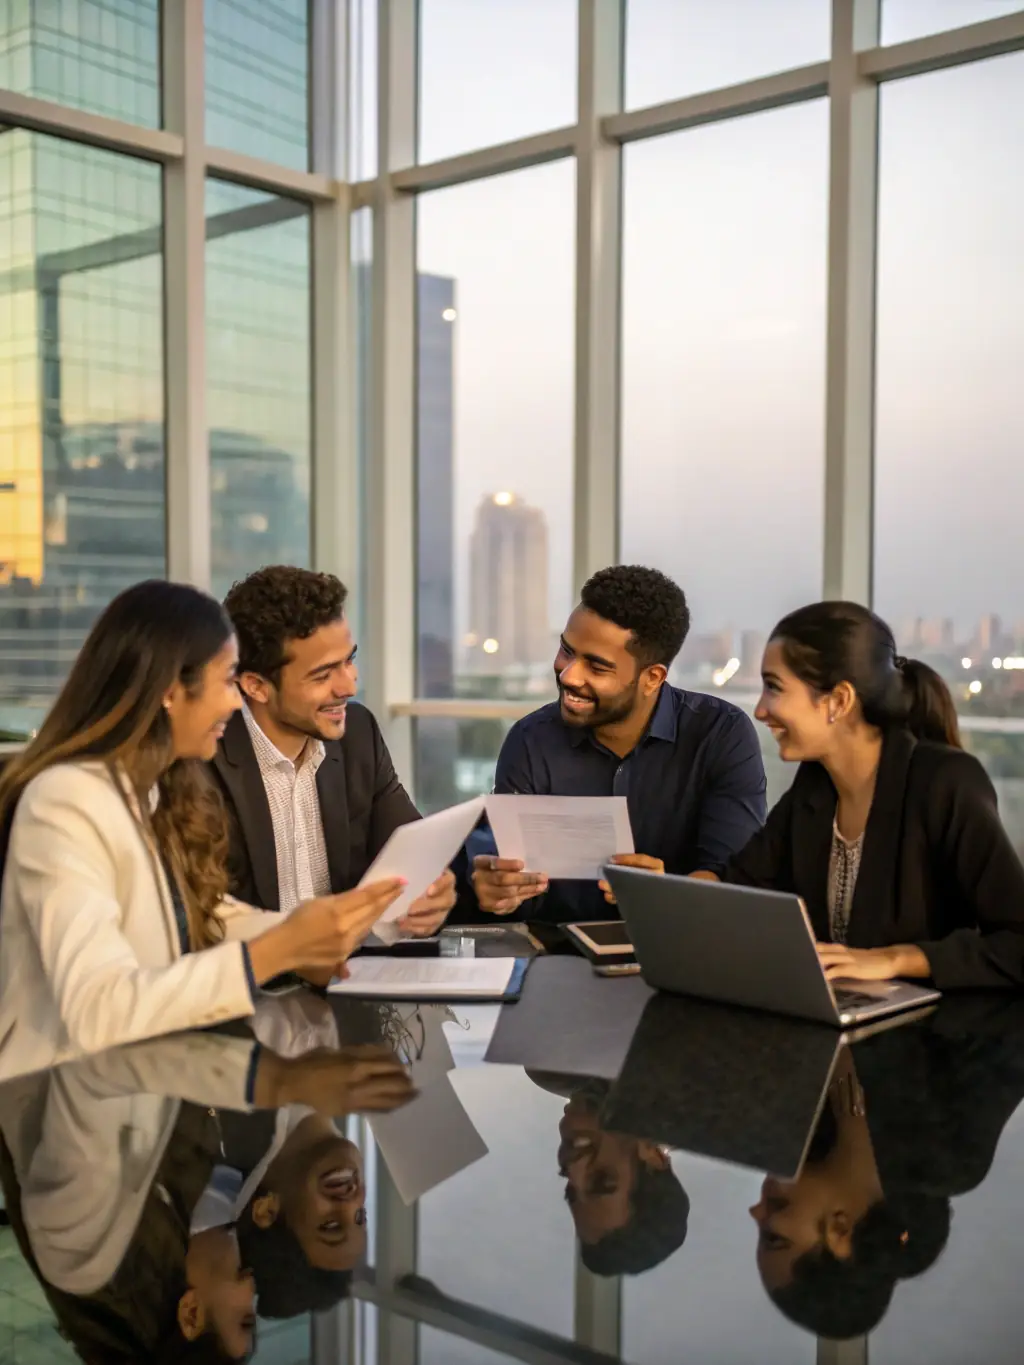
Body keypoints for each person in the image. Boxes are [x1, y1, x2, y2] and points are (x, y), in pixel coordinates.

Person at [0, 580, 405, 1060]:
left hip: (149, 1076)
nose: (236, 703)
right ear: (171, 692)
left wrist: (305, 941)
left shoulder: (156, 787)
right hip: (60, 1090)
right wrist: (280, 948)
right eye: (228, 681)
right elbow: (97, 1009)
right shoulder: (65, 800)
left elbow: (206, 914)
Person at [722, 600, 1024, 989]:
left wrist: (896, 959)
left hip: (935, 1021)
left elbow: (1017, 941)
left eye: (774, 688)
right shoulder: (814, 787)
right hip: (839, 1014)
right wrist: (673, 889)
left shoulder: (945, 782)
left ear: (839, 701)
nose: (761, 710)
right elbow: (742, 885)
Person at [468, 565, 767, 923]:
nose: (568, 675)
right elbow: (518, 887)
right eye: (566, 650)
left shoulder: (721, 734)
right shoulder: (530, 740)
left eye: (596, 667)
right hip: (556, 947)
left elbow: (731, 878)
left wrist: (669, 894)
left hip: (678, 941)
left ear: (652, 678)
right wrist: (499, 890)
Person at [752, 996, 1024, 1338]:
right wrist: (915, 968)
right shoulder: (946, 1153)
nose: (756, 1211)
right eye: (773, 1237)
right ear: (839, 1233)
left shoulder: (797, 1122)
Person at [214, 566, 455, 937]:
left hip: (354, 966)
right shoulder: (203, 758)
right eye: (323, 675)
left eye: (349, 661)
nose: (349, 687)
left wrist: (433, 895)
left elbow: (412, 856)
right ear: (256, 686)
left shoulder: (358, 734)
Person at [530, 1072, 690, 1276]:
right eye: (601, 1180)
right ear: (653, 1158)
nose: (573, 1167)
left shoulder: (550, 1071)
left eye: (571, 1190)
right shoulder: (690, 1077)